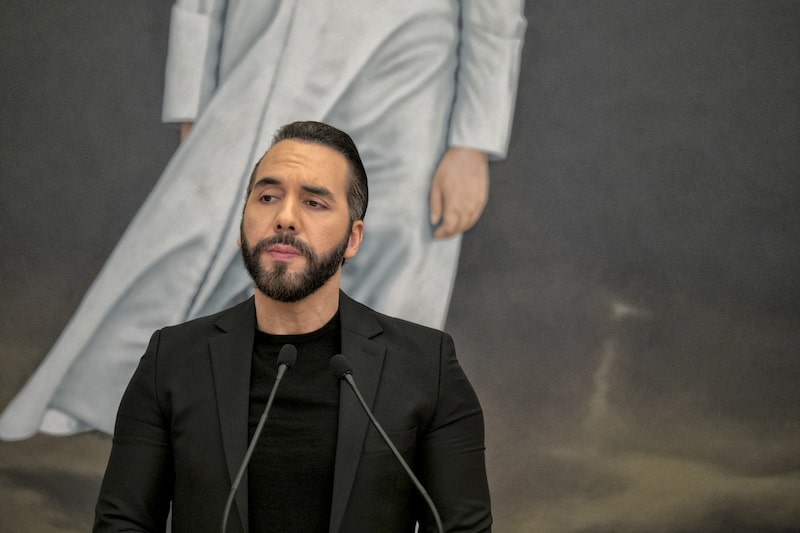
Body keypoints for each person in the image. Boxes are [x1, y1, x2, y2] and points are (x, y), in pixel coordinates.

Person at [0, 0, 525, 440]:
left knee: (396, 255)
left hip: (412, 53)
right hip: (273, 37)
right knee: (220, 237)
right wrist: (192, 97)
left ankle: (374, 447)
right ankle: (115, 389)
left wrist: (471, 142)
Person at [93, 121, 492, 532]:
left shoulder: (426, 367)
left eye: (314, 203)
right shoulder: (172, 361)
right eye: (267, 197)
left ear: (353, 239)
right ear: (241, 225)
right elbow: (123, 523)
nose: (285, 218)